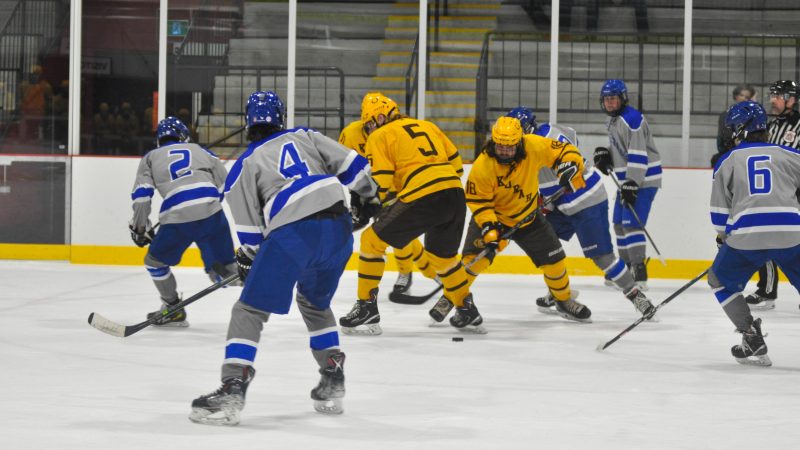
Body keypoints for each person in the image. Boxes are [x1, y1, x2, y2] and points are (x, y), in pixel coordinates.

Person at [190, 91, 378, 425]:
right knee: (314, 303)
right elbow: (355, 167)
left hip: (293, 235)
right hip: (338, 230)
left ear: (248, 123)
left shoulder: (244, 166)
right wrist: (369, 196)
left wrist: (249, 257)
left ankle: (233, 384)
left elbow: (250, 234)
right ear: (281, 117)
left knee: (249, 309)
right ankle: (332, 375)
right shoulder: (304, 136)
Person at [338, 92, 483, 335]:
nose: (370, 128)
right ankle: (466, 308)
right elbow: (457, 166)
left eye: (371, 122)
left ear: (381, 117)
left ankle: (366, 307)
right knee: (444, 259)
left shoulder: (380, 135)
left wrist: (372, 204)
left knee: (370, 241)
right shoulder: (427, 125)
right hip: (454, 194)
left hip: (423, 194)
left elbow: (381, 182)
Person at [429, 116, 594, 324]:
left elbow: (564, 150)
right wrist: (489, 227)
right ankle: (452, 298)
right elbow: (478, 201)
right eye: (500, 146)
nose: (505, 151)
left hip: (529, 217)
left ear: (519, 141)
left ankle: (563, 300)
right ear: (493, 141)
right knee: (472, 263)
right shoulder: (483, 165)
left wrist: (570, 165)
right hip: (495, 218)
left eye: (510, 146)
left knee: (555, 262)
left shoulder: (533, 145)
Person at [505, 107, 655, 318]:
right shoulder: (535, 140)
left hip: (587, 201)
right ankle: (559, 292)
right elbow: (572, 134)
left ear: (527, 128)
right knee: (544, 245)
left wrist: (569, 168)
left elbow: (565, 153)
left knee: (603, 258)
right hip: (561, 202)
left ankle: (637, 296)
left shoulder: (542, 141)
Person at [708, 100, 800, 367]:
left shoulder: (728, 160)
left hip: (747, 236)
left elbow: (718, 214)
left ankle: (751, 337)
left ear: (741, 129)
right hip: (791, 233)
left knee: (719, 280)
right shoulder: (789, 153)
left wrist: (724, 239)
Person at [129, 116, 238, 328]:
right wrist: (206, 205)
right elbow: (227, 185)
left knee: (154, 263)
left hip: (177, 221)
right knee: (227, 274)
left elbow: (142, 198)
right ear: (184, 136)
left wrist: (140, 229)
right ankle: (265, 281)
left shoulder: (150, 157)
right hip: (212, 215)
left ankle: (173, 308)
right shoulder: (200, 150)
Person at [338, 97, 438, 295]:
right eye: (370, 123)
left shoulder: (397, 133)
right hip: (366, 186)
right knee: (396, 232)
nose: (374, 127)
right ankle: (431, 271)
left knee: (398, 232)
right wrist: (357, 196)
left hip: (394, 188)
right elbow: (343, 164)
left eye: (380, 120)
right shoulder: (350, 134)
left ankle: (409, 272)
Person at [594, 79, 662, 290]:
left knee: (631, 224)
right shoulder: (614, 121)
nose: (609, 103)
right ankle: (623, 268)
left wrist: (633, 182)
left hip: (643, 180)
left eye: (613, 99)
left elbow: (638, 153)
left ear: (622, 98)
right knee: (618, 223)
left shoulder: (632, 120)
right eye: (606, 99)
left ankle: (638, 271)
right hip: (629, 181)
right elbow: (620, 148)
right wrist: (606, 156)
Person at [743, 80, 800, 310]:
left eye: (777, 96)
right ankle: (767, 291)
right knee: (764, 238)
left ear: (791, 99)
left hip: (795, 193)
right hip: (777, 193)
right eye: (772, 96)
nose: (772, 101)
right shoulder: (772, 125)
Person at [712, 84, 756, 167]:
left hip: (748, 152)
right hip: (729, 152)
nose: (744, 98)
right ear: (736, 96)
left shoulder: (753, 115)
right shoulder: (725, 115)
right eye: (742, 95)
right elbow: (722, 138)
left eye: (747, 97)